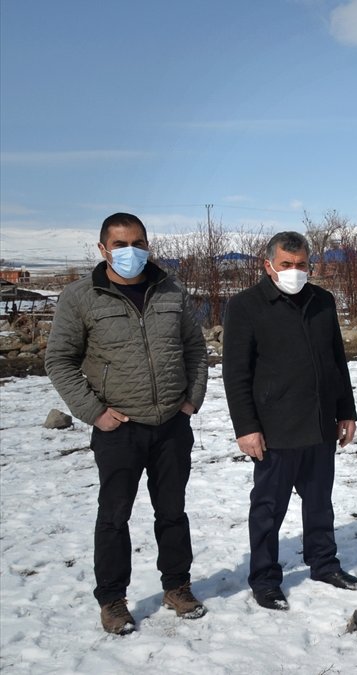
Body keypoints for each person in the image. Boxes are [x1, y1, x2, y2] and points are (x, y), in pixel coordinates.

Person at [45, 212, 208, 635]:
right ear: (103, 249)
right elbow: (59, 361)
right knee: (114, 516)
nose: (129, 251)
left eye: (137, 242)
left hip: (172, 423)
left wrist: (191, 400)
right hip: (119, 427)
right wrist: (94, 412)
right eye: (120, 244)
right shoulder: (81, 297)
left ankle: (177, 586)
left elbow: (195, 349)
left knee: (172, 511)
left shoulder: (171, 289)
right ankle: (113, 600)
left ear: (148, 245)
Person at [222, 231, 357, 611]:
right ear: (268, 265)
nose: (294, 272)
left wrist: (346, 411)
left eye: (301, 265)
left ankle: (323, 563)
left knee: (320, 503)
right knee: (268, 509)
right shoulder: (246, 306)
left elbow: (337, 361)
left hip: (319, 423)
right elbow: (235, 373)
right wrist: (246, 427)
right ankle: (265, 578)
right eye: (286, 265)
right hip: (275, 428)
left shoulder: (322, 301)